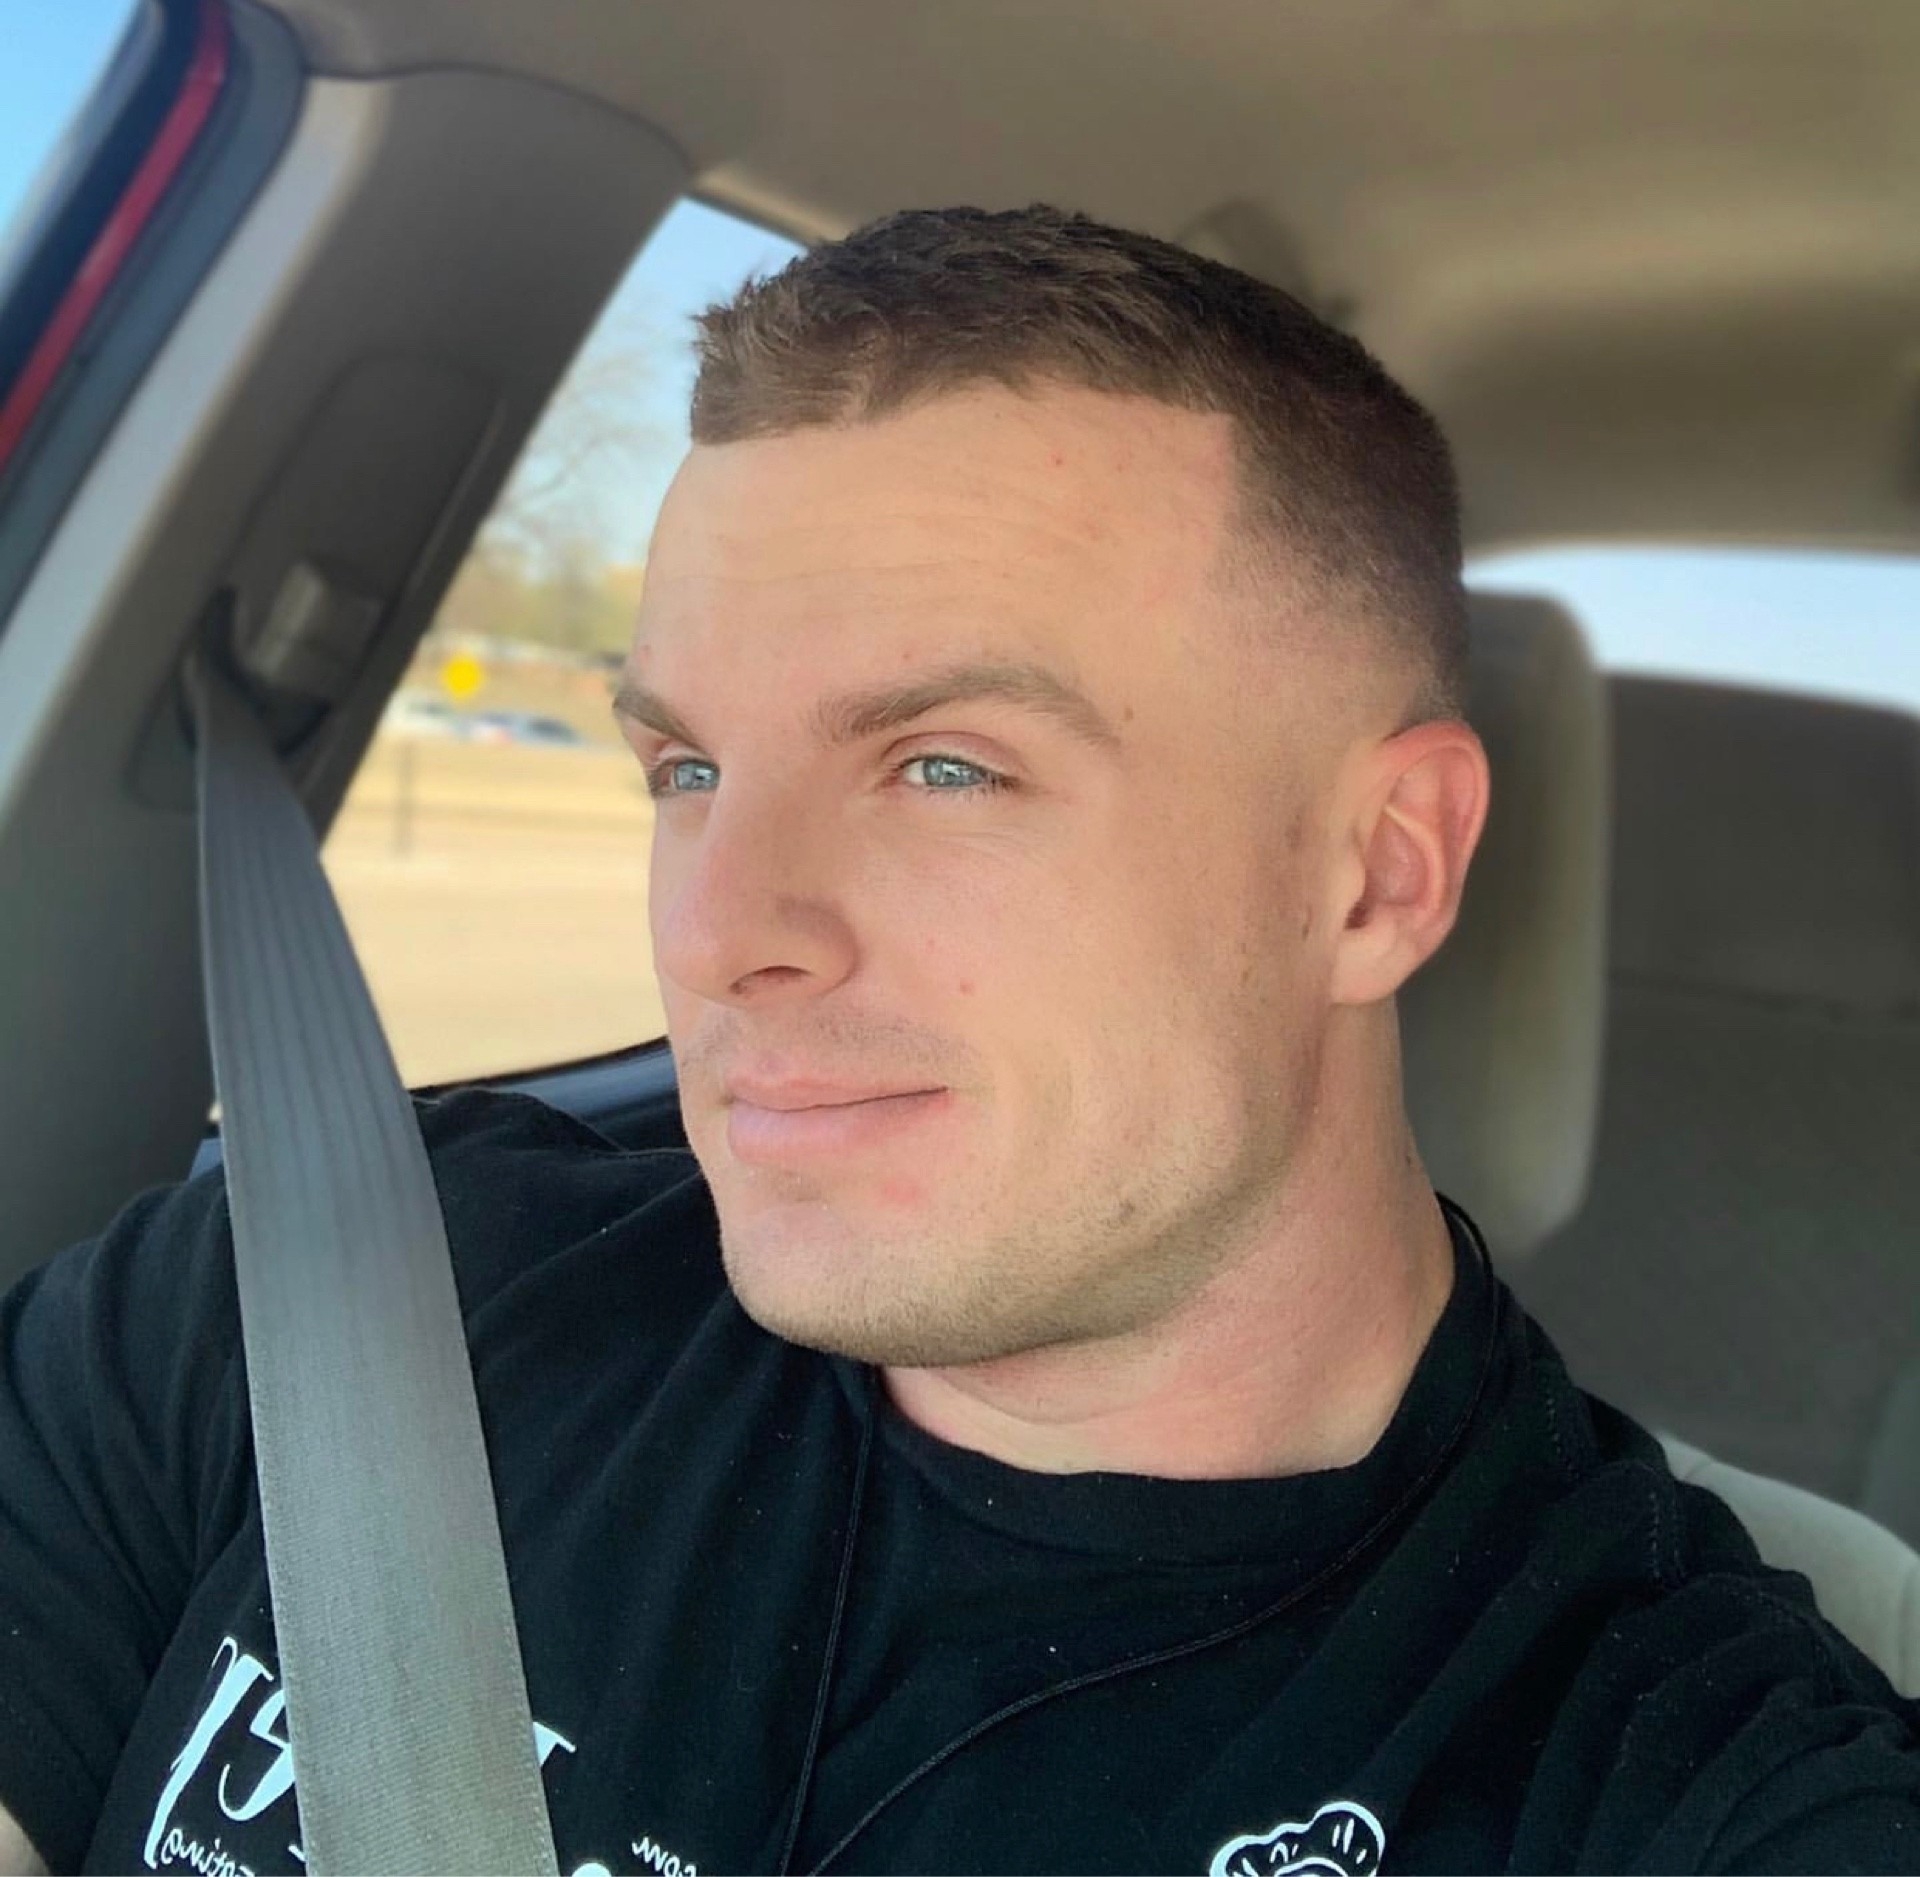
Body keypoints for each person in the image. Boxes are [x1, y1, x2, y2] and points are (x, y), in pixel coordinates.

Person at [0, 204, 1916, 1877]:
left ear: (1376, 872)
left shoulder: (1679, 1771)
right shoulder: (331, 1294)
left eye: (944, 765)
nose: (719, 935)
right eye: (688, 768)